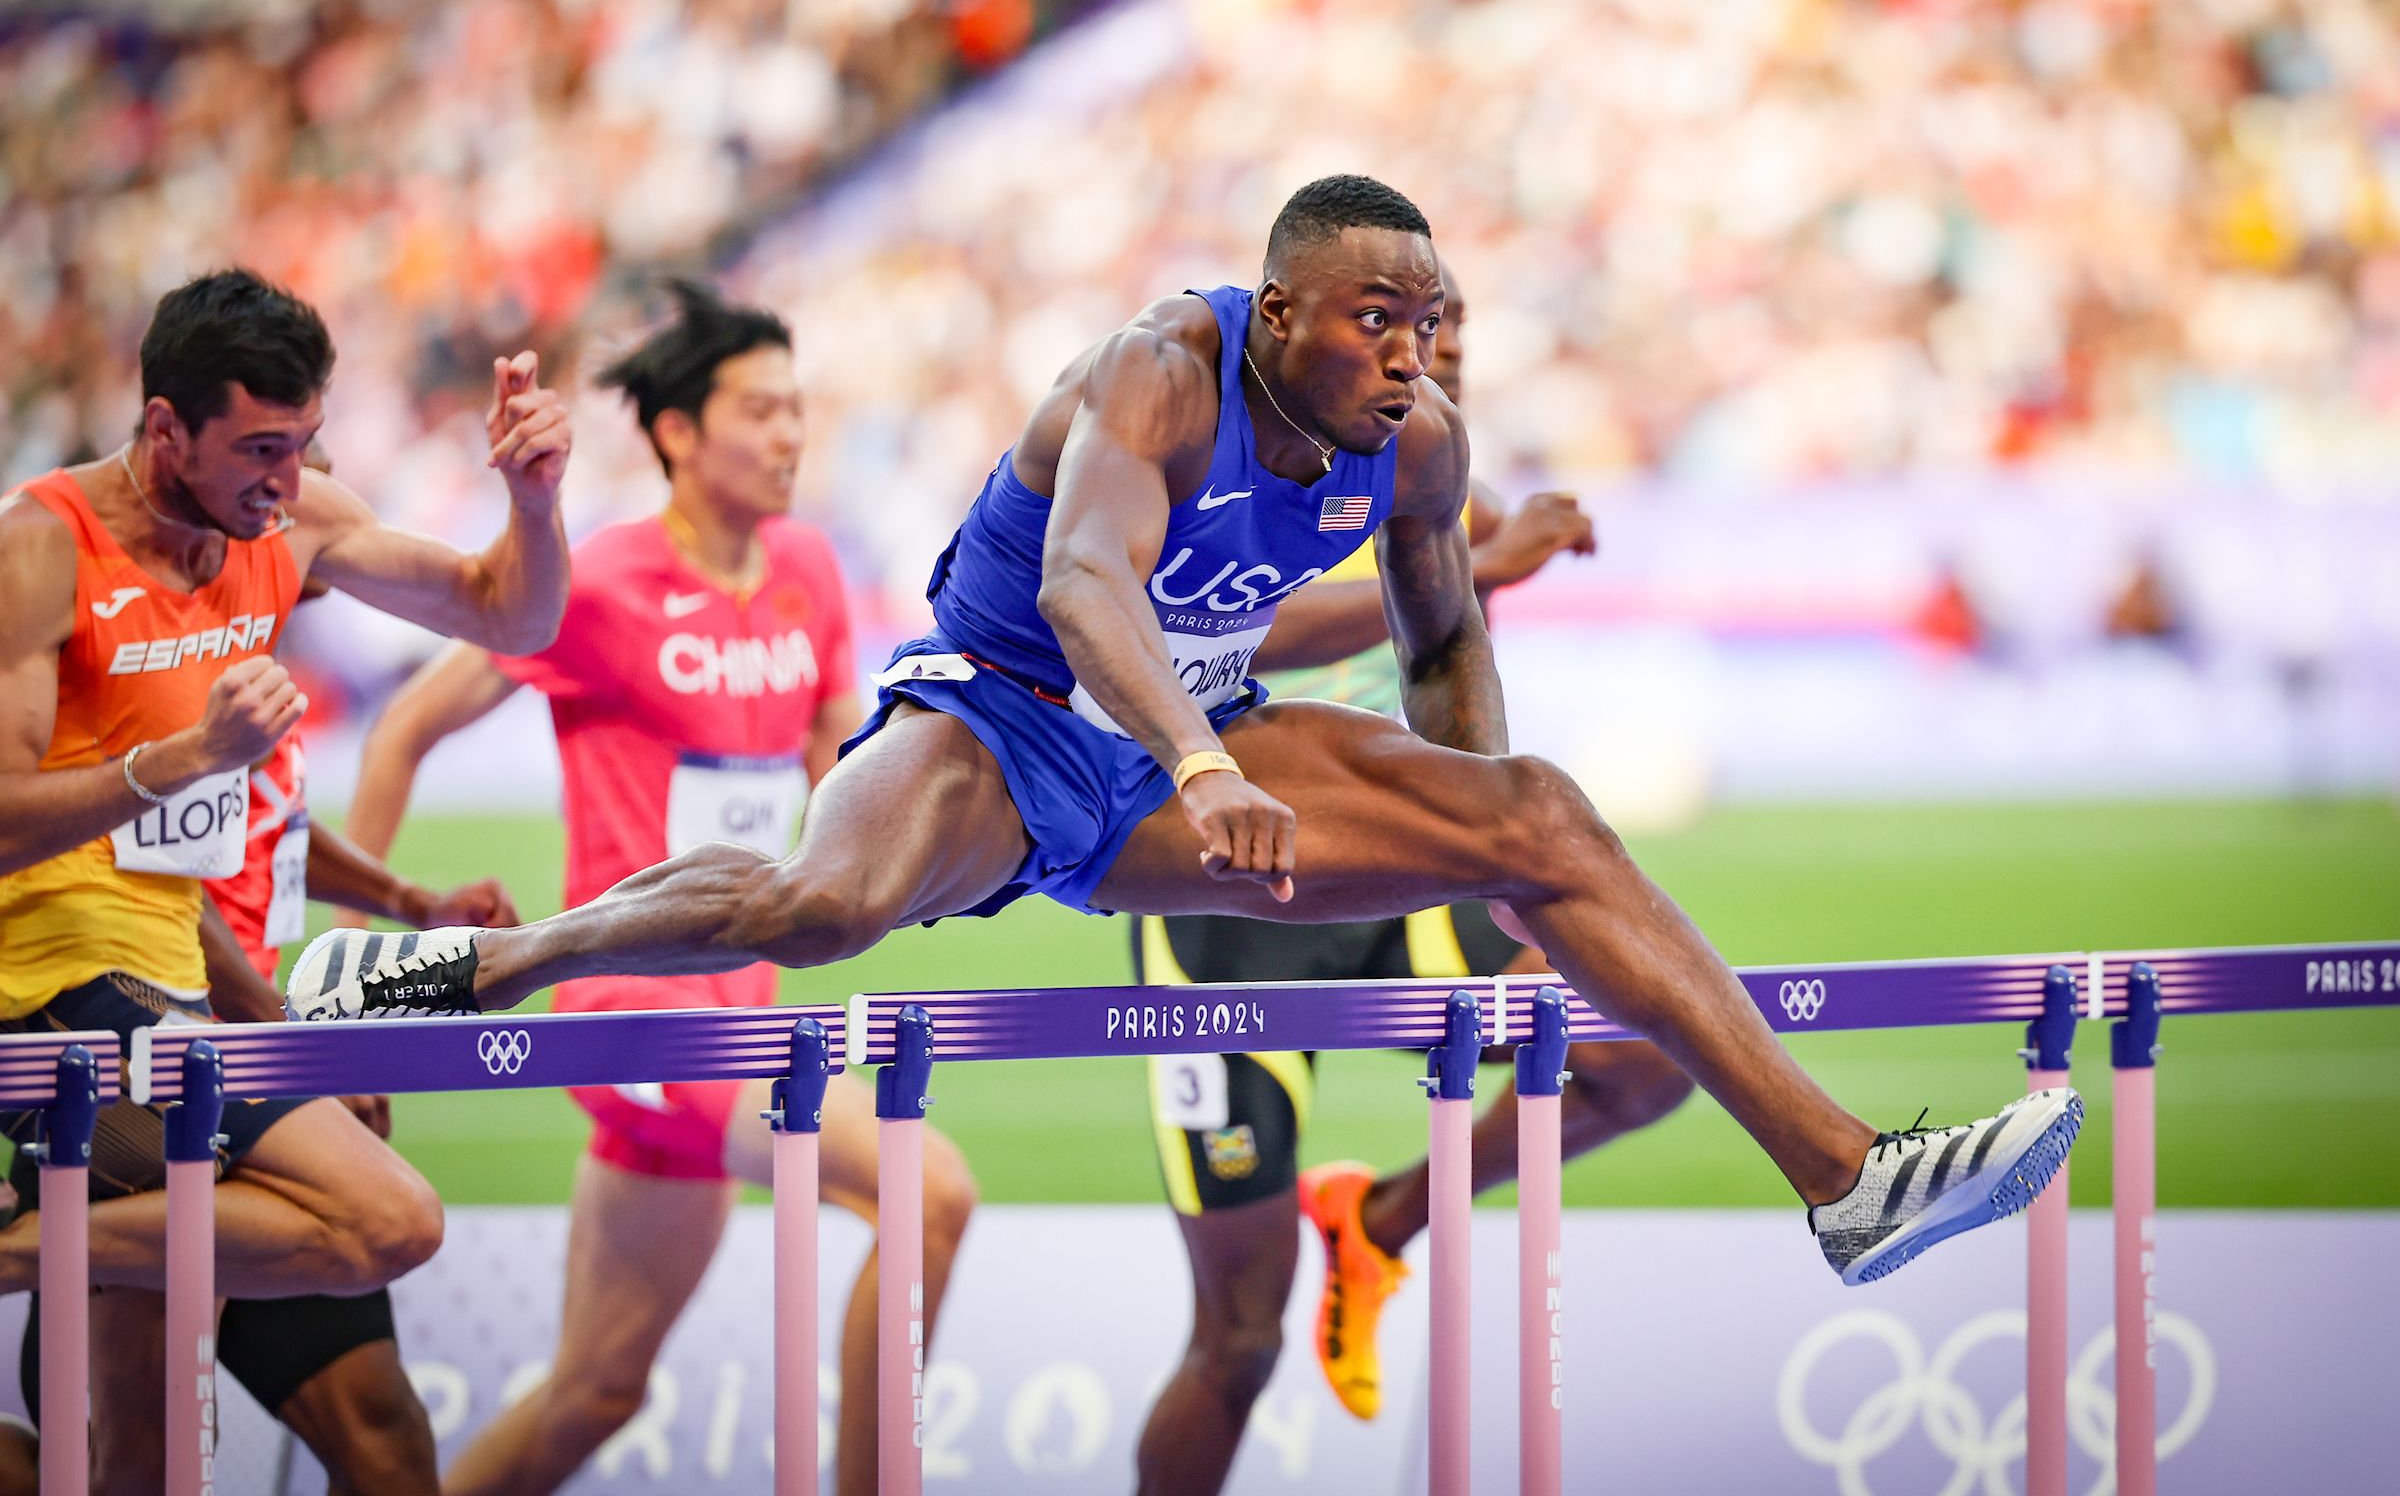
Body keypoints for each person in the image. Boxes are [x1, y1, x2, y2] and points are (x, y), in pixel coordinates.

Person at [292, 180, 2080, 1343]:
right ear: (1279, 302)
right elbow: (1081, 583)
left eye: (1431, 316)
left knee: (1547, 817)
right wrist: (1198, 760)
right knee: (815, 907)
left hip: (1190, 738)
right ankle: (489, 959)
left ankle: (1850, 1179)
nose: (1411, 349)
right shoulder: (1161, 367)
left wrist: (1476, 851)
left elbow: (1443, 641)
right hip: (1003, 708)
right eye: (1376, 315)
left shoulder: (1421, 444)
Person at [339, 281, 976, 1496]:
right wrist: (371, 983)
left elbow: (845, 771)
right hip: (634, 1007)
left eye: (800, 409)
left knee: (598, 1386)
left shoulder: (806, 568)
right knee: (925, 1190)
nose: (792, 435)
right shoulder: (600, 581)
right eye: (761, 411)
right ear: (679, 432)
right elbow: (400, 735)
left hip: (747, 1002)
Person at [1125, 257, 1694, 1491]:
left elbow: (1452, 661)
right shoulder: (1222, 463)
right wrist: (1489, 567)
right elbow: (1222, 633)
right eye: (1399, 332)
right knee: (1239, 1338)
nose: (1428, 360)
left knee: (1641, 1054)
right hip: (1224, 899)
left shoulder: (1443, 486)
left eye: (1449, 337)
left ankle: (1380, 1219)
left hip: (1388, 878)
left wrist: (1499, 558)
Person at [0, 266, 572, 1493]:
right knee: (391, 1220)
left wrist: (532, 501)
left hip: (171, 979)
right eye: (260, 447)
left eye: (305, 446)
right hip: (43, 987)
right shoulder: (44, 548)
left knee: (135, 1458)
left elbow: (508, 617)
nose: (286, 477)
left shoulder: (292, 523)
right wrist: (179, 761)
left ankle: (40, 1245)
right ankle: (17, 1248)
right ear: (165, 429)